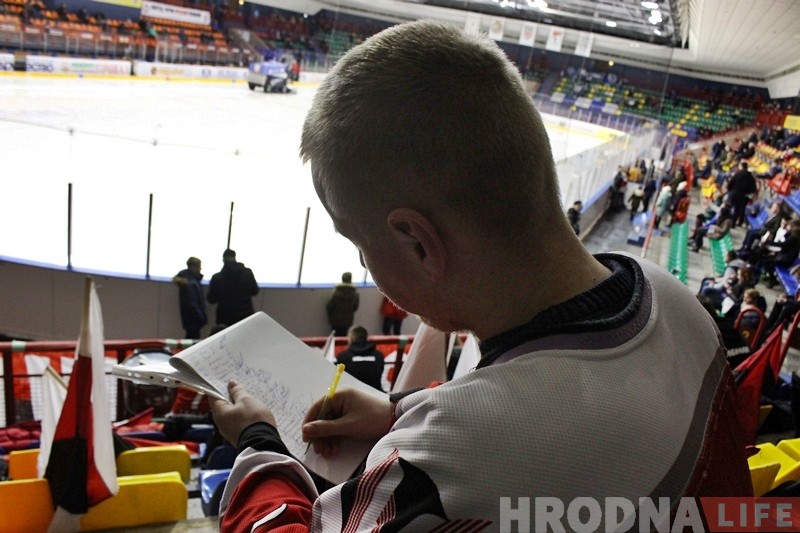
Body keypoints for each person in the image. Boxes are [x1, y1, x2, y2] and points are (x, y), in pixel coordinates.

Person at [210, 21, 751, 530]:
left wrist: (260, 445)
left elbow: (492, 445)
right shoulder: (678, 302)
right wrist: (401, 412)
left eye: (358, 242)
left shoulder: (444, 468)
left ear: (419, 243)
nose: (363, 265)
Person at [206, 249, 259, 327]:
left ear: (223, 259)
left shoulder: (217, 277)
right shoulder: (248, 273)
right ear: (235, 257)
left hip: (225, 316)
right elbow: (255, 291)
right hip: (245, 314)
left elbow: (211, 299)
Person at [335, 325, 385, 391]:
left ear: (350, 339)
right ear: (366, 337)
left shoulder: (343, 356)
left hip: (352, 395)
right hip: (375, 394)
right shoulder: (379, 355)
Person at [171, 256, 207, 339]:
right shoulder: (191, 283)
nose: (200, 269)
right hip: (194, 319)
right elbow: (192, 304)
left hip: (189, 319)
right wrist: (201, 317)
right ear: (193, 267)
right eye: (199, 267)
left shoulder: (188, 281)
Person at [326, 271, 359, 336]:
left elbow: (330, 305)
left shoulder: (336, 292)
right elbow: (355, 307)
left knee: (334, 337)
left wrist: (330, 315)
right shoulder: (355, 293)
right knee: (344, 337)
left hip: (335, 319)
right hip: (348, 320)